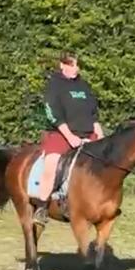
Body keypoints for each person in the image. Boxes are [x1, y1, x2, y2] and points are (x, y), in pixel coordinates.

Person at [35, 52, 104, 225]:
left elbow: (93, 113)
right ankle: (42, 207)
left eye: (77, 65)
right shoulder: (54, 85)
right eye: (72, 65)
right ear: (62, 65)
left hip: (88, 134)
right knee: (52, 164)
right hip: (61, 135)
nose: (76, 69)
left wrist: (99, 133)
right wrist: (70, 136)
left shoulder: (84, 86)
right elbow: (52, 113)